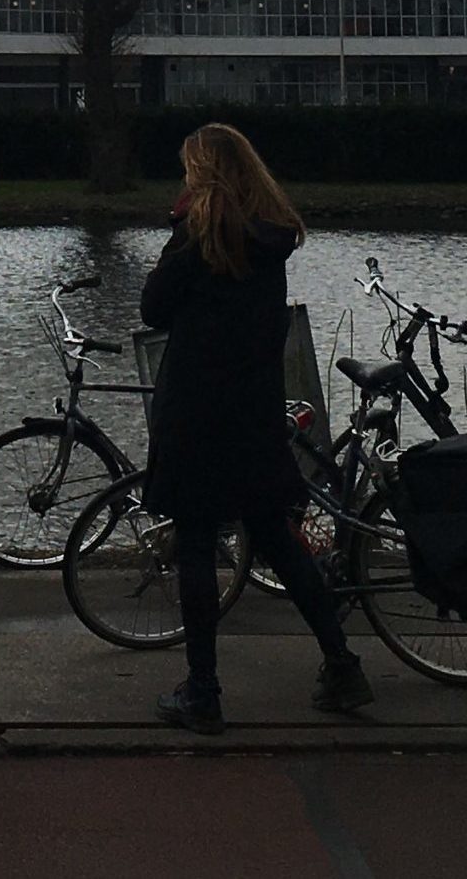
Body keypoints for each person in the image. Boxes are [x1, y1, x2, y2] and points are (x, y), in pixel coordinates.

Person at [142, 122, 370, 732]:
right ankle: (342, 663)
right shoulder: (270, 238)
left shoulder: (195, 235)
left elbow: (152, 307)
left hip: (195, 410)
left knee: (195, 544)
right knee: (274, 536)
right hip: (251, 409)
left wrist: (175, 230)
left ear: (202, 172)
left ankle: (203, 688)